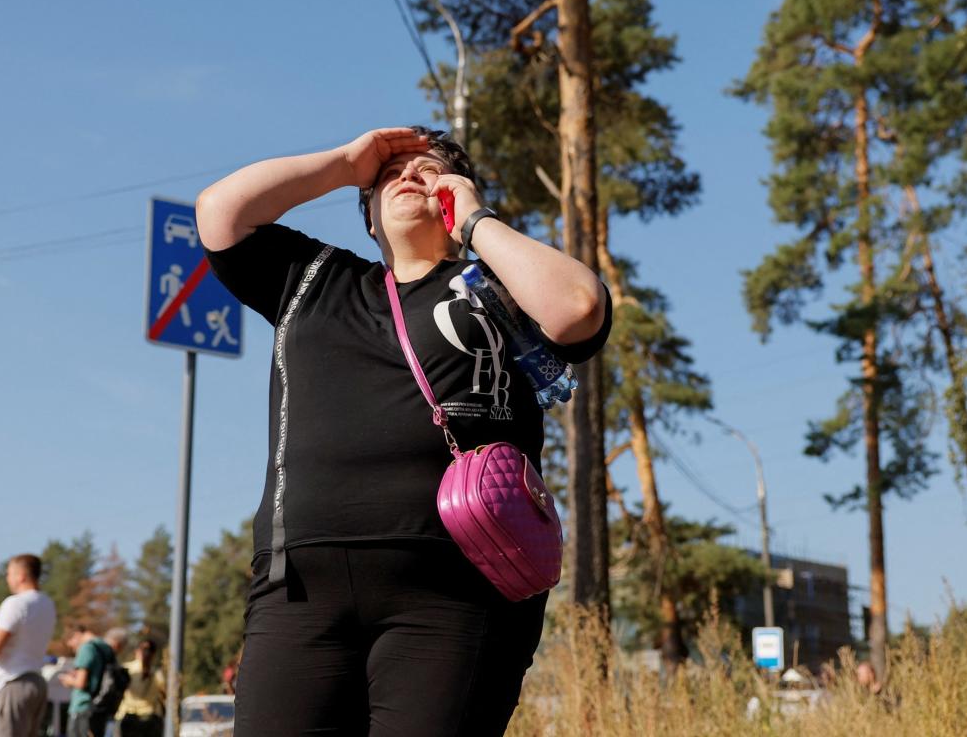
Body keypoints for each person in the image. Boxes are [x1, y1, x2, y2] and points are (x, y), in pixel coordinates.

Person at [195, 126, 611, 736]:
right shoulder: (313, 278)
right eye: (391, 173)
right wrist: (344, 164)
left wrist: (473, 220)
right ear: (368, 218)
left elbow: (578, 306)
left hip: (457, 583)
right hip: (300, 584)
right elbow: (219, 212)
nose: (411, 175)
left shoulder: (498, 287)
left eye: (431, 169)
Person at [0, 555, 56, 737]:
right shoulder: (47, 604)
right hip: (37, 681)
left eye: (9, 574)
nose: (7, 579)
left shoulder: (16, 603)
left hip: (14, 682)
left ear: (21, 575)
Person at [59, 627, 124, 737]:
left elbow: (81, 683)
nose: (73, 649)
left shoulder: (86, 648)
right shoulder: (106, 647)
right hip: (99, 707)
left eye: (71, 645)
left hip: (83, 707)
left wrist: (68, 680)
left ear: (76, 635)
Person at [114, 639, 165, 737]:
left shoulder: (126, 669)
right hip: (149, 719)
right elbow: (164, 695)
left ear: (137, 651)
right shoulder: (158, 674)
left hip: (128, 717)